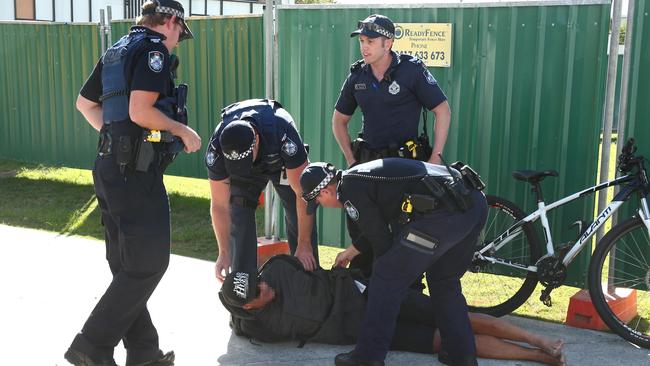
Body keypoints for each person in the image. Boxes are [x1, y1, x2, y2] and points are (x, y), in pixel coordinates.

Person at [66, 1, 201, 365]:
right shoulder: (152, 50)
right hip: (134, 173)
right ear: (171, 21)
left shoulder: (116, 50)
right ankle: (92, 345)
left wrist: (116, 139)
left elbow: (84, 104)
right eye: (178, 35)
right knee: (148, 264)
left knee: (127, 264)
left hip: (109, 166)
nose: (176, 43)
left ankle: (143, 353)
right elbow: (141, 111)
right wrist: (180, 129)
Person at [299, 159, 488, 366]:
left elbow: (382, 242)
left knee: (385, 276)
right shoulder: (358, 177)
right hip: (473, 205)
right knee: (444, 282)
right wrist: (353, 251)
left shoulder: (349, 190)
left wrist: (385, 275)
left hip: (443, 215)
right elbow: (382, 222)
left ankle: (367, 357)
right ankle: (461, 355)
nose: (320, 205)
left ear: (325, 191)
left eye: (316, 201)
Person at [218, 255, 566, 366]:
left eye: (258, 280)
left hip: (369, 294)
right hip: (362, 330)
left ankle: (539, 339)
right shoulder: (257, 327)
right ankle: (543, 358)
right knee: (441, 340)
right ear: (249, 306)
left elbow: (302, 264)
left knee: (453, 316)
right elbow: (240, 325)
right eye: (257, 291)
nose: (265, 285)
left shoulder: (275, 269)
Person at [332, 14, 452, 279]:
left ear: (388, 43)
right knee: (365, 233)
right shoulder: (357, 77)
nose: (364, 46)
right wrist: (351, 161)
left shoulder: (411, 70)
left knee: (403, 237)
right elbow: (339, 122)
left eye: (370, 41)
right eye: (362, 40)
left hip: (405, 171)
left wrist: (435, 157)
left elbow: (442, 110)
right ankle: (361, 296)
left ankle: (408, 299)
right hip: (367, 171)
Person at [205, 99, 319, 282]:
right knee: (238, 210)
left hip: (280, 161)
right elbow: (219, 206)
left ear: (256, 140)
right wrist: (224, 252)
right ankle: (243, 288)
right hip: (248, 173)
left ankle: (308, 282)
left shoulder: (283, 132)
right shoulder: (216, 150)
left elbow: (304, 195)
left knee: (294, 208)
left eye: (245, 160)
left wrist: (304, 243)